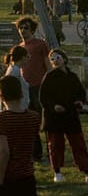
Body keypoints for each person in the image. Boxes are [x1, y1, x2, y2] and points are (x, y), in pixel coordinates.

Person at [38, 50, 88, 183]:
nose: (55, 60)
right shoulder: (49, 76)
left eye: (57, 57)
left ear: (64, 59)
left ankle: (86, 169)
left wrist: (79, 101)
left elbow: (80, 92)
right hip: (54, 117)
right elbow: (43, 97)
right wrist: (53, 107)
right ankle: (57, 172)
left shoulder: (72, 76)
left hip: (70, 114)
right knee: (55, 145)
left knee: (78, 142)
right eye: (52, 59)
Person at [16, 16, 51, 95]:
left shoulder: (41, 44)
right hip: (24, 85)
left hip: (38, 85)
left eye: (26, 28)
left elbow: (49, 66)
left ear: (32, 30)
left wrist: (47, 83)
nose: (23, 30)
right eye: (20, 28)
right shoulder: (20, 46)